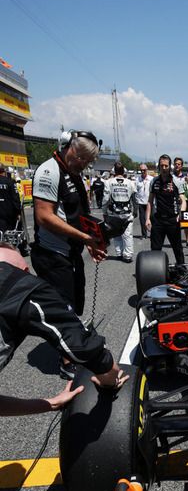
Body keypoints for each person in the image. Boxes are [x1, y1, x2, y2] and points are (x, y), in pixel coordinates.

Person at [0, 243, 128, 411]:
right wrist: (111, 380)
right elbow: (82, 347)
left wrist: (51, 404)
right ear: (24, 270)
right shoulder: (24, 285)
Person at [31, 131, 104, 379]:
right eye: (82, 158)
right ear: (71, 148)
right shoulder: (49, 171)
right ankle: (67, 362)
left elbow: (77, 215)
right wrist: (84, 238)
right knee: (65, 307)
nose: (84, 164)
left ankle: (71, 344)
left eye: (88, 161)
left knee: (76, 304)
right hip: (51, 254)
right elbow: (44, 216)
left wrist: (92, 242)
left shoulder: (75, 173)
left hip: (71, 251)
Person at [145, 154, 185, 265]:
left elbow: (183, 200)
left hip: (173, 220)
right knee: (155, 249)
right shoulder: (154, 181)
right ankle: (155, 272)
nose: (164, 168)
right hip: (158, 220)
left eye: (166, 166)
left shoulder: (176, 181)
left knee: (177, 248)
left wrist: (180, 215)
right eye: (161, 166)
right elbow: (149, 201)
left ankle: (181, 270)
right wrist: (147, 219)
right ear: (159, 167)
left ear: (170, 167)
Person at [102, 161, 136, 262]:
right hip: (127, 214)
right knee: (128, 235)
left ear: (114, 171)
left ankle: (119, 253)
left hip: (114, 214)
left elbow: (105, 199)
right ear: (123, 171)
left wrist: (104, 212)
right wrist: (136, 211)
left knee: (116, 234)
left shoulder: (108, 182)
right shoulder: (130, 182)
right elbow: (134, 198)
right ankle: (128, 256)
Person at [173, 157, 188, 245]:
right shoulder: (171, 176)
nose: (177, 165)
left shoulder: (186, 176)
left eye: (179, 164)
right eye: (176, 164)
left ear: (181, 166)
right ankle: (176, 240)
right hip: (174, 202)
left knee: (186, 222)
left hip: (186, 202)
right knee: (176, 222)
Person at [0, 163, 22, 235]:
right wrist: (18, 212)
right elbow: (15, 198)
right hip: (8, 214)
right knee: (10, 235)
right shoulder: (10, 181)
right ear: (4, 171)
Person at [134, 163, 153, 238]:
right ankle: (144, 234)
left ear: (147, 170)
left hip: (150, 203)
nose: (142, 172)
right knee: (142, 219)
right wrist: (136, 201)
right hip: (141, 202)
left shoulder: (151, 179)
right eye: (141, 170)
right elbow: (135, 191)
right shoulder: (137, 180)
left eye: (144, 170)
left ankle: (152, 233)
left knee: (151, 219)